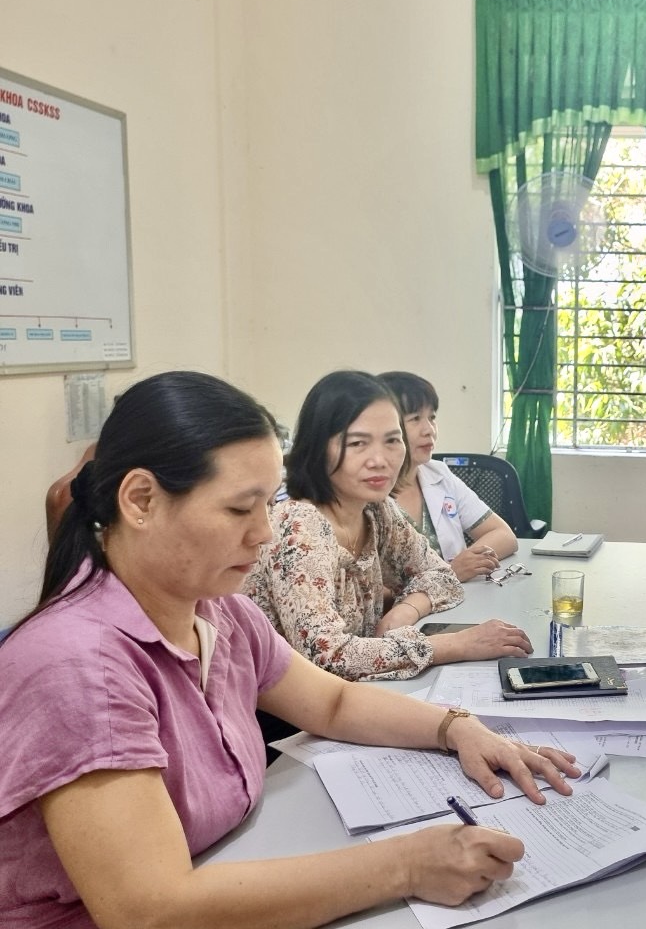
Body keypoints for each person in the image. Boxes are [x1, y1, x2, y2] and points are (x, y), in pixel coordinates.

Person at [0, 371, 580, 929]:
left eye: (266, 503)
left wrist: (457, 727)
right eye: (239, 508)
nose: (266, 532)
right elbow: (153, 911)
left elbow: (332, 703)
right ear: (141, 501)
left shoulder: (220, 612)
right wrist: (406, 866)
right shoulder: (79, 667)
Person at [243, 371, 531, 680]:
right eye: (358, 443)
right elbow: (328, 657)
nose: (380, 460)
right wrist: (455, 645)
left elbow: (441, 574)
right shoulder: (299, 526)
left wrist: (407, 610)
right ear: (317, 448)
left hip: (357, 691)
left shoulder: (375, 509)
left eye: (393, 440)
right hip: (280, 704)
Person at [378, 371, 518, 582]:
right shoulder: (367, 495)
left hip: (460, 598)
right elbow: (370, 590)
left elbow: (505, 536)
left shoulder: (438, 473)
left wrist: (465, 563)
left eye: (432, 417)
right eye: (415, 419)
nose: (429, 430)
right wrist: (449, 572)